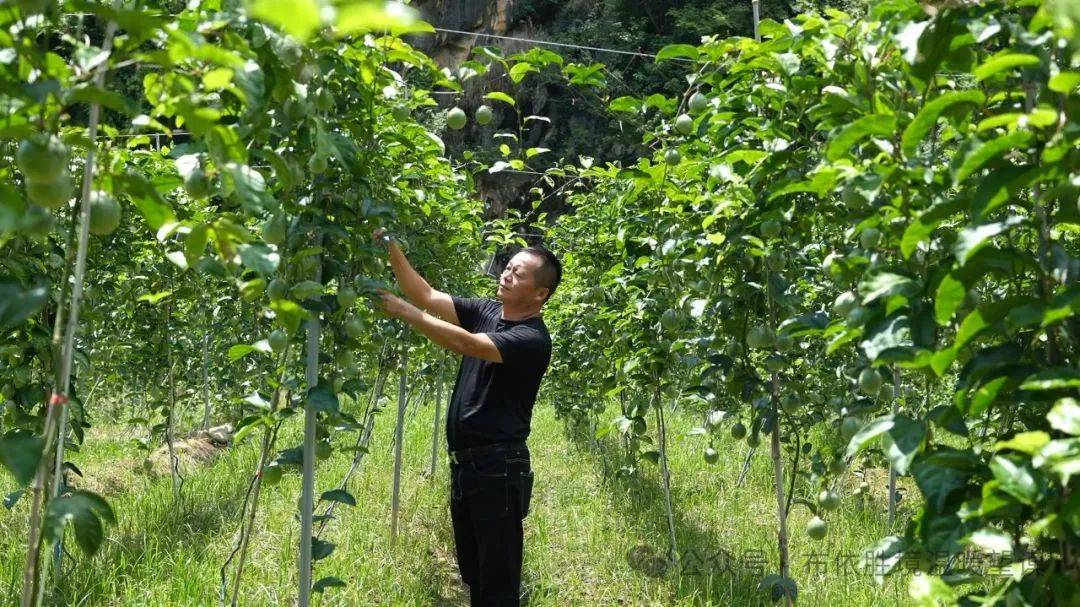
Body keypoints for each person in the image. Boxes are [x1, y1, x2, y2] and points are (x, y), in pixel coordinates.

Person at [372, 228, 560, 607]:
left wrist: (407, 313)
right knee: (474, 572)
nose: (507, 275)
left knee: (497, 582)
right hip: (467, 467)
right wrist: (390, 245)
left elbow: (465, 343)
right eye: (508, 268)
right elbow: (425, 294)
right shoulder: (488, 312)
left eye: (519, 273)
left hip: (498, 467)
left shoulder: (532, 339)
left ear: (541, 294)